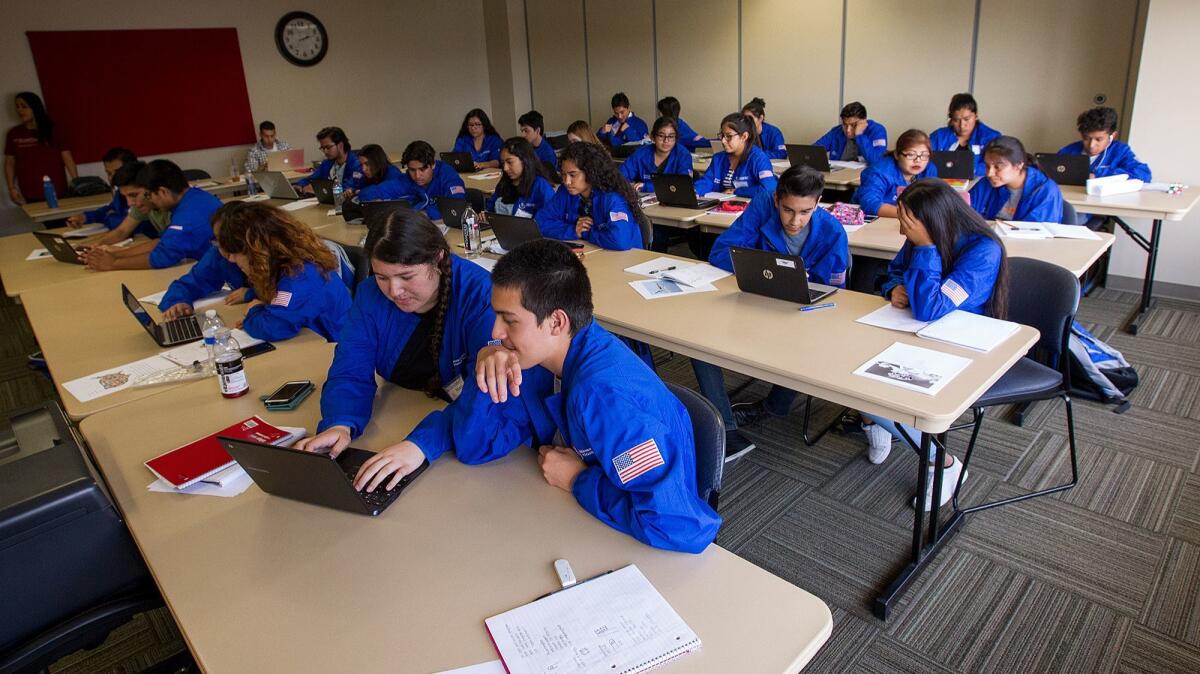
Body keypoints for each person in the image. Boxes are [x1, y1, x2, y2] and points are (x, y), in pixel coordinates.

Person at [423, 240, 720, 552]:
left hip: (642, 552)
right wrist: (485, 368)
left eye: (509, 320)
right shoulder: (540, 357)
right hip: (577, 525)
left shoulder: (606, 399)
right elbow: (474, 448)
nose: (495, 331)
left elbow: (680, 527)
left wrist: (578, 480)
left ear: (557, 322)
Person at [294, 207, 499, 471]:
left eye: (406, 276)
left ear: (437, 259)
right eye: (382, 277)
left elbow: (486, 392)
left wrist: (421, 444)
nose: (394, 291)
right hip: (404, 406)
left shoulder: (481, 295)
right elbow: (350, 367)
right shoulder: (370, 295)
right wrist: (340, 422)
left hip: (454, 427)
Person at [862, 179, 1008, 510]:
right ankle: (878, 419)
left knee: (871, 391)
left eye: (906, 224)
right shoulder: (923, 234)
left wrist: (926, 247)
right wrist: (893, 289)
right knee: (847, 370)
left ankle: (945, 465)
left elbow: (930, 309)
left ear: (930, 223)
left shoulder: (983, 251)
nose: (902, 232)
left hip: (962, 344)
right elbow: (891, 273)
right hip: (913, 332)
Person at [695, 167, 850, 460]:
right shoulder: (762, 207)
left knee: (807, 342)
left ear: (818, 203)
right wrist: (768, 271)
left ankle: (776, 405)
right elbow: (720, 252)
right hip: (757, 300)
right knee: (696, 337)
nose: (795, 221)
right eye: (788, 210)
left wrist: (768, 268)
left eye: (805, 212)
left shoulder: (833, 232)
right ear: (777, 199)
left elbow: (837, 293)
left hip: (804, 314)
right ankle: (725, 429)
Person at [212, 203, 352, 342]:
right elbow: (282, 298)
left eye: (234, 253)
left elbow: (275, 326)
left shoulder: (301, 276)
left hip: (334, 349)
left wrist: (253, 313)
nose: (230, 259)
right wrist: (253, 295)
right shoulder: (289, 264)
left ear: (256, 251)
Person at [83, 160, 221, 271]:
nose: (149, 200)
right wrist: (114, 255)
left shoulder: (188, 215)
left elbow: (162, 257)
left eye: (149, 195)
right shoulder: (193, 198)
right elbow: (165, 243)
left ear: (162, 192)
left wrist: (112, 263)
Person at [535, 141, 647, 251]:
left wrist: (585, 232)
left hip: (626, 261)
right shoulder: (565, 192)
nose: (567, 181)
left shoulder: (612, 198)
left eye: (572, 175)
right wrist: (573, 230)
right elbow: (539, 222)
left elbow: (619, 240)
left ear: (590, 172)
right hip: (593, 254)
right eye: (563, 174)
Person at [969, 136, 1064, 223]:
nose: (989, 173)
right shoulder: (986, 183)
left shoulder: (1045, 191)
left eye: (997, 167)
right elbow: (964, 215)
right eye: (987, 166)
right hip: (990, 239)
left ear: (1019, 165)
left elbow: (1038, 233)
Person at [5, 92, 77, 204]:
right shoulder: (13, 133)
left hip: (57, 189)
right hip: (29, 192)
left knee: (64, 220)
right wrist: (11, 188)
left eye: (24, 106)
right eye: (17, 107)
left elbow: (66, 156)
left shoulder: (53, 130)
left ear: (35, 107)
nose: (20, 110)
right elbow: (10, 162)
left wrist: (76, 182)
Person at [853, 129, 938, 217]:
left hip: (906, 220)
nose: (917, 160)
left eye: (924, 155)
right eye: (911, 155)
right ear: (897, 154)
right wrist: (911, 215)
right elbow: (870, 204)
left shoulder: (929, 169)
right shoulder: (879, 172)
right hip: (874, 220)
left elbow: (931, 201)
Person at [692, 113, 778, 198]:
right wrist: (694, 191)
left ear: (744, 136)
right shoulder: (718, 158)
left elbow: (769, 189)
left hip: (750, 207)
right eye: (722, 136)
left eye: (729, 136)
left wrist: (738, 191)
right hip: (719, 206)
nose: (723, 141)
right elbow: (707, 181)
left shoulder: (758, 159)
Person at [1058, 106, 1151, 181]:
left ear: (1112, 136)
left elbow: (1144, 173)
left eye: (1099, 139)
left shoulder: (1120, 151)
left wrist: (1098, 175)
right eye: (1086, 138)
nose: (1091, 145)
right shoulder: (1067, 151)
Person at [929, 93, 1001, 176]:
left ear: (976, 115)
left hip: (977, 185)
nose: (962, 125)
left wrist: (966, 169)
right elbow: (926, 162)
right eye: (956, 120)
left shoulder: (991, 137)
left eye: (966, 119)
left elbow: (996, 166)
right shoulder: (939, 137)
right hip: (942, 185)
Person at [66, 147, 137, 230]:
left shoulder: (140, 191)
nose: (112, 178)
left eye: (117, 172)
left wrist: (109, 217)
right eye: (109, 173)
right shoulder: (120, 192)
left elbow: (127, 224)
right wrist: (85, 217)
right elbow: (108, 210)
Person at [395, 140, 467, 221]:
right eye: (412, 170)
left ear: (433, 165)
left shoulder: (448, 176)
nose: (417, 176)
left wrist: (425, 214)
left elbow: (457, 205)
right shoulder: (407, 177)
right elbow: (384, 189)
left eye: (422, 169)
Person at [618, 116, 694, 192]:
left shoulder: (683, 155)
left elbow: (683, 184)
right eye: (661, 136)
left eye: (671, 136)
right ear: (653, 137)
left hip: (673, 201)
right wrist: (629, 184)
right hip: (642, 200)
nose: (666, 140)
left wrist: (646, 187)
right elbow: (620, 176)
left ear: (676, 138)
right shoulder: (641, 153)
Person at [487, 137, 556, 218]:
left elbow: (550, 219)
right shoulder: (504, 182)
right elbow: (490, 209)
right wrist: (485, 215)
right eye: (503, 163)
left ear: (524, 160)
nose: (505, 168)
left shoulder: (540, 186)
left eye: (510, 162)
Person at [813, 101, 888, 164]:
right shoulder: (837, 131)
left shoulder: (877, 131)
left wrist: (859, 135)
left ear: (864, 121)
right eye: (845, 125)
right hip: (839, 176)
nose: (848, 130)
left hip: (864, 177)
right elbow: (813, 150)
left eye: (853, 125)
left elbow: (876, 161)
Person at [295, 126, 362, 195]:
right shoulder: (327, 163)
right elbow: (312, 178)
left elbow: (351, 186)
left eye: (328, 147)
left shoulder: (356, 164)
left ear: (340, 145)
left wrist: (317, 189)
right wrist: (300, 184)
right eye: (323, 148)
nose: (325, 152)